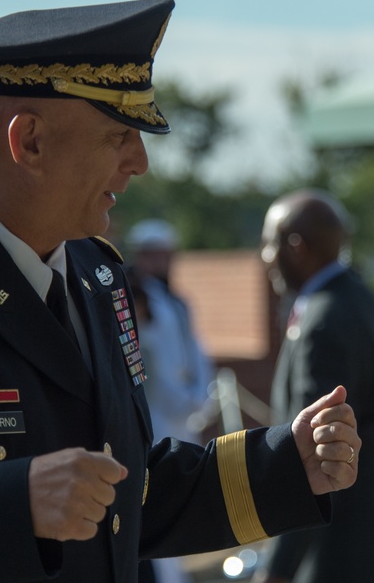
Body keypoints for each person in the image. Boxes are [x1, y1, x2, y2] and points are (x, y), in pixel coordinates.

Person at [0, 0, 361, 583]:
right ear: (28, 140)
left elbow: (119, 495)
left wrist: (282, 465)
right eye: (116, 135)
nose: (141, 162)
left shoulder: (95, 274)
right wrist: (9, 503)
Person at [256, 189, 374, 583]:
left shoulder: (325, 320)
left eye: (268, 244)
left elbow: (313, 457)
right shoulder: (363, 298)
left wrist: (277, 569)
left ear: (296, 247)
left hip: (345, 546)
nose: (265, 258)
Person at [125, 219, 215, 583]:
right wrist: (185, 402)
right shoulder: (136, 300)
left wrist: (201, 399)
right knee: (158, 508)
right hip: (158, 418)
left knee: (182, 507)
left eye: (164, 254)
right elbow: (151, 365)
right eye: (151, 254)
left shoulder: (177, 301)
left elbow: (196, 354)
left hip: (186, 414)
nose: (159, 261)